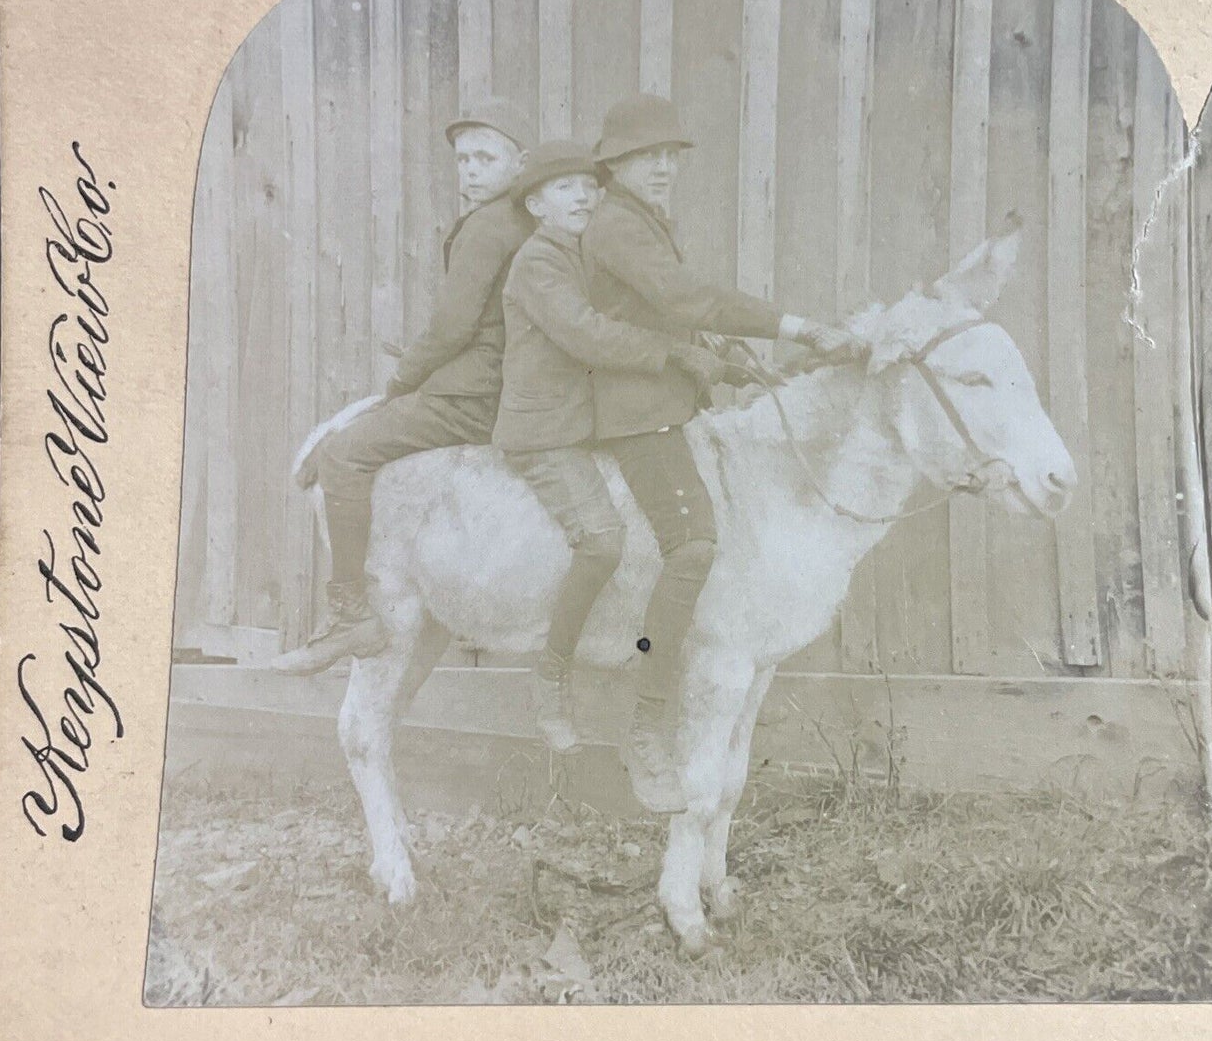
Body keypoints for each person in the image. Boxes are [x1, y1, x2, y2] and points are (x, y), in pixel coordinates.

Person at [581, 93, 862, 810]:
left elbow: (669, 316)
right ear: (612, 166)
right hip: (630, 413)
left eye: (670, 157)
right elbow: (681, 300)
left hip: (663, 403)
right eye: (646, 157)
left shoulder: (643, 222)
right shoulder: (614, 223)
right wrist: (793, 326)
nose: (662, 168)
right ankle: (646, 721)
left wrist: (723, 358)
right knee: (695, 547)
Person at [274, 98, 537, 675]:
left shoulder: (490, 227)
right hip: (495, 382)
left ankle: (352, 617)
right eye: (463, 159)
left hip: (476, 395)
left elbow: (452, 327)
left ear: (520, 164)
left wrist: (402, 381)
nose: (470, 169)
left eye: (485, 157)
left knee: (343, 453)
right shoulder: (521, 220)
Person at [494, 141, 726, 752]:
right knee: (602, 542)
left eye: (589, 188)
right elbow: (588, 335)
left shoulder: (588, 254)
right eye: (564, 189)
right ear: (536, 205)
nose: (583, 197)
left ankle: (648, 672)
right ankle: (549, 677)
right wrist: (675, 353)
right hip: (547, 433)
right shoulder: (538, 262)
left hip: (589, 424)